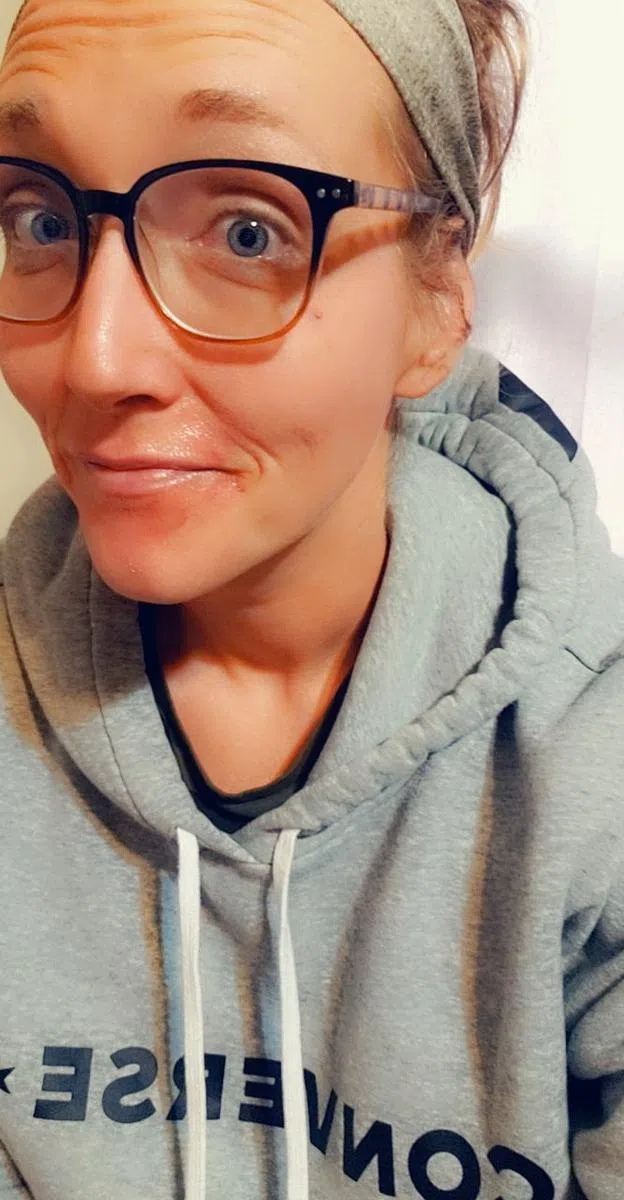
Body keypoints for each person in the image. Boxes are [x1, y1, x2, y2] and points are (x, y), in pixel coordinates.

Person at [0, 0, 622, 1196]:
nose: (96, 359)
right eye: (41, 219)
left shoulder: (594, 763)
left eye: (247, 230)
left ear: (437, 299)